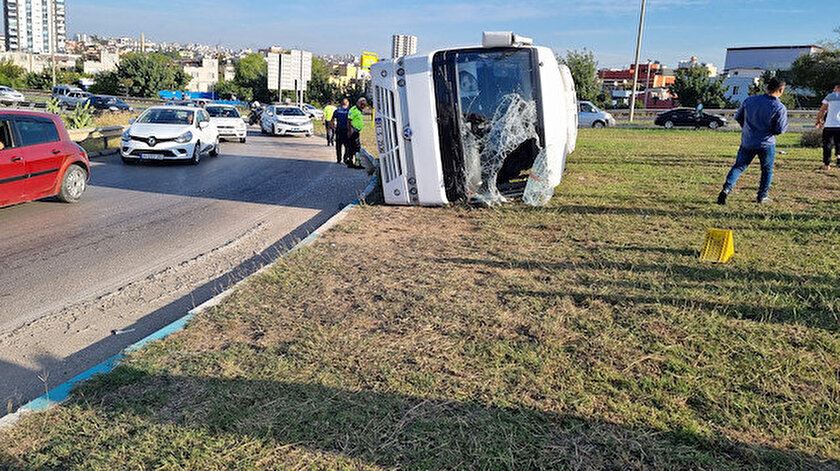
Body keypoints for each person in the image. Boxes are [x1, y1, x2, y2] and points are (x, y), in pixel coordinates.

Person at [718, 77, 788, 205]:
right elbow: (780, 129)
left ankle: (726, 189)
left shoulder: (749, 100)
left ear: (767, 87)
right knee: (767, 170)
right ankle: (762, 196)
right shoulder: (779, 107)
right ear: (781, 90)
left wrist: (747, 129)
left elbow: (738, 117)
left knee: (738, 167)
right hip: (766, 143)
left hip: (748, 141)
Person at [816, 83, 840, 171]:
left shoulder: (830, 96)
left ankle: (827, 164)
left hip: (830, 125)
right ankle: (839, 158)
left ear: (837, 88)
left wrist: (818, 120)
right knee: (839, 143)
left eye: (834, 88)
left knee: (827, 144)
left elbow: (822, 110)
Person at [346, 98, 367, 169]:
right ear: (359, 103)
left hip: (356, 131)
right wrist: (349, 131)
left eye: (364, 105)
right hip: (353, 131)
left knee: (353, 148)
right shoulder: (353, 110)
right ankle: (357, 164)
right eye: (362, 105)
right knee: (357, 148)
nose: (363, 107)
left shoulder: (359, 110)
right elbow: (349, 120)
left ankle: (352, 163)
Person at [332, 98, 351, 164]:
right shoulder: (349, 111)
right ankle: (345, 158)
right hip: (346, 130)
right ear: (347, 103)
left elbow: (332, 118)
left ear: (341, 103)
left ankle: (339, 159)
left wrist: (333, 126)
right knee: (347, 146)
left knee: (338, 146)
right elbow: (351, 121)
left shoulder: (337, 110)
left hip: (338, 129)